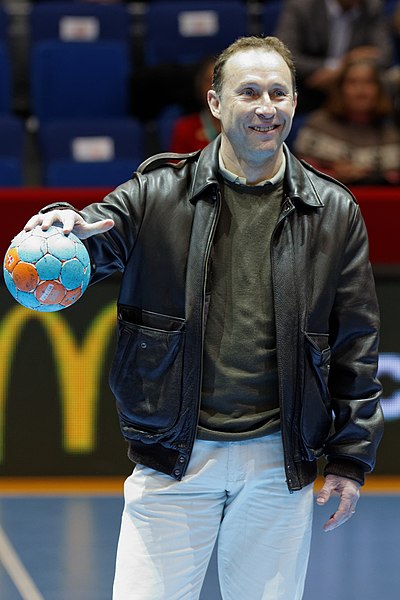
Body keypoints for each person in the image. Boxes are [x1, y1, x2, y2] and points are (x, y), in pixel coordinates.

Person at [23, 35, 383, 600]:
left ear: (294, 104)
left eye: (278, 93)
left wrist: (350, 457)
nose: (266, 106)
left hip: (278, 462)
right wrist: (56, 224)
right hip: (173, 457)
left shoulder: (334, 210)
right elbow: (91, 234)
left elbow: (356, 341)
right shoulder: (155, 192)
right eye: (248, 92)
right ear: (216, 104)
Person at [293, 56, 400, 184]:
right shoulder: (318, 124)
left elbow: (394, 177)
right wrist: (334, 175)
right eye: (352, 82)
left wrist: (370, 176)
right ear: (340, 88)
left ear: (379, 90)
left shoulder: (392, 132)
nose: (360, 90)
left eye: (368, 82)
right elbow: (301, 174)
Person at [276, 0, 393, 112]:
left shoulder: (372, 7)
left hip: (350, 82)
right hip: (310, 84)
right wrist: (338, 66)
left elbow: (385, 56)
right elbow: (285, 56)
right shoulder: (302, 6)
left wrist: (341, 70)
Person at [170, 56, 221, 153]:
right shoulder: (185, 128)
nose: (214, 88)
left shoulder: (244, 125)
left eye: (219, 82)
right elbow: (178, 166)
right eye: (208, 81)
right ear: (199, 86)